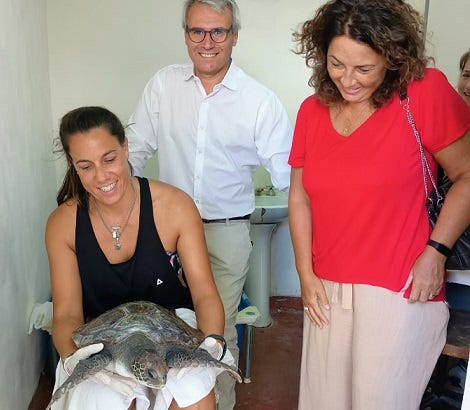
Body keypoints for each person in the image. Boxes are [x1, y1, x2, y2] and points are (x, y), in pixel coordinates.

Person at [288, 1, 470, 409]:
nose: (348, 80)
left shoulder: (422, 94)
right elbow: (299, 197)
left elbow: (467, 177)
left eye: (364, 68)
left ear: (391, 58)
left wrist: (435, 252)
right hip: (325, 289)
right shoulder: (311, 111)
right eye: (336, 64)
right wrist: (304, 272)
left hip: (401, 288)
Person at [126, 1, 292, 408]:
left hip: (225, 232)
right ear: (185, 34)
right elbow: (134, 153)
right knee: (159, 328)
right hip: (163, 233)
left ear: (235, 34)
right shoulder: (163, 86)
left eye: (218, 32)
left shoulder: (259, 101)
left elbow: (290, 175)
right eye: (197, 31)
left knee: (216, 332)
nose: (207, 42)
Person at [46, 106, 233, 410]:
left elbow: (204, 293)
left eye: (109, 159)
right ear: (74, 166)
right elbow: (66, 314)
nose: (101, 176)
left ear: (125, 147)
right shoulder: (62, 224)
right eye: (86, 166)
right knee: (100, 399)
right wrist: (77, 360)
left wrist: (210, 344)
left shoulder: (174, 207)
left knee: (195, 396)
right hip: (104, 337)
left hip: (172, 330)